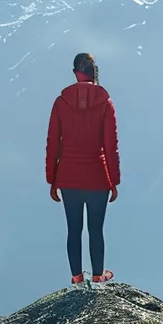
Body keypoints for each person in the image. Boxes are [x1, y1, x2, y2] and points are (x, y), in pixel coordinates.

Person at [46, 52, 121, 286]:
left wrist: (52, 179)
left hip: (68, 177)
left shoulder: (61, 102)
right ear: (93, 72)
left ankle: (77, 278)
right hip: (98, 177)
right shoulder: (106, 103)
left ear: (75, 73)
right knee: (96, 229)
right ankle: (98, 276)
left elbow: (53, 142)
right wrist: (114, 182)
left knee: (74, 229)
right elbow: (111, 145)